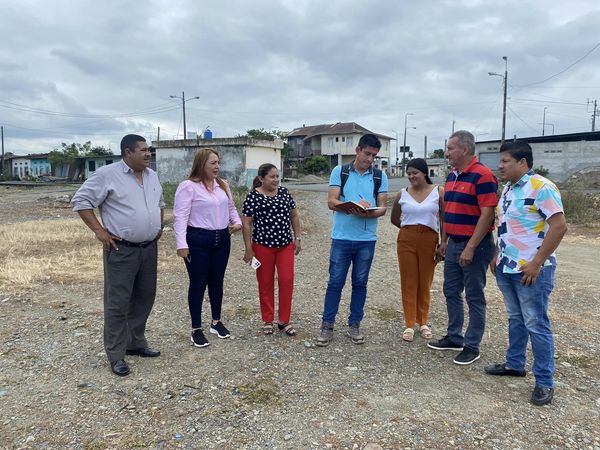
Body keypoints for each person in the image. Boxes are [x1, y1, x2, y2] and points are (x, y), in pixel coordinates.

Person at [71, 134, 164, 377]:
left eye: (149, 150)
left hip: (148, 248)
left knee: (145, 297)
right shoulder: (107, 174)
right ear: (127, 153)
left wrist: (158, 226)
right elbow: (81, 201)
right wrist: (99, 231)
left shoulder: (152, 176)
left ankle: (135, 343)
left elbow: (160, 203)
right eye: (142, 150)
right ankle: (116, 354)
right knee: (118, 303)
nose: (148, 154)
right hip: (121, 250)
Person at [485, 141, 567, 406]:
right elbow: (506, 224)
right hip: (507, 266)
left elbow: (559, 226)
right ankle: (515, 364)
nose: (500, 166)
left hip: (531, 271)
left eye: (505, 161)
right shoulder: (508, 188)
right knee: (516, 318)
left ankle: (544, 381)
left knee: (536, 323)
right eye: (500, 161)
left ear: (522, 162)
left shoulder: (542, 187)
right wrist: (497, 253)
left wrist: (537, 262)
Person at [427, 130, 497, 365]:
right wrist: (444, 240)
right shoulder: (452, 176)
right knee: (451, 291)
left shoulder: (483, 176)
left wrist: (471, 247)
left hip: (474, 246)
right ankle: (454, 337)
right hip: (454, 243)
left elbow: (487, 214)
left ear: (465, 150)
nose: (446, 153)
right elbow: (448, 211)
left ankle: (472, 345)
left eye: (450, 148)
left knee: (474, 296)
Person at [316, 133, 388, 347]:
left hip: (367, 239)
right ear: (357, 150)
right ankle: (327, 325)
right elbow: (331, 202)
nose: (370, 159)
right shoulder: (340, 171)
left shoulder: (379, 176)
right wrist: (352, 206)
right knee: (335, 283)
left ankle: (355, 324)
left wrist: (370, 211)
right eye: (367, 154)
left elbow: (383, 207)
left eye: (374, 155)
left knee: (360, 283)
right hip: (342, 237)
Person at [173, 149, 242, 348]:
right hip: (198, 240)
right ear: (201, 164)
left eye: (218, 162)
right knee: (198, 283)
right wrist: (181, 244)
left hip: (222, 239)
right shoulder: (188, 187)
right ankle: (196, 329)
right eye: (213, 163)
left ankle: (216, 322)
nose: (217, 166)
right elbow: (180, 217)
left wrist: (237, 222)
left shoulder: (223, 185)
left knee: (217, 282)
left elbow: (231, 208)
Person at [242, 163, 302, 336]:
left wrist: (297, 238)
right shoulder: (253, 197)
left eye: (277, 176)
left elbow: (294, 215)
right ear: (261, 178)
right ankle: (267, 319)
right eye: (272, 177)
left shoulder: (284, 192)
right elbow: (246, 223)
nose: (276, 180)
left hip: (285, 246)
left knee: (286, 280)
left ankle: (284, 320)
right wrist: (248, 248)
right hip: (262, 247)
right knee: (265, 283)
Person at [390, 158, 444, 342]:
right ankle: (409, 323)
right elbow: (394, 218)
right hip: (406, 239)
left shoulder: (438, 191)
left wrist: (443, 242)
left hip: (429, 238)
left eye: (415, 173)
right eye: (409, 173)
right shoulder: (402, 193)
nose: (412, 176)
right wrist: (409, 229)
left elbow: (444, 219)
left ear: (424, 173)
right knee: (409, 281)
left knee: (425, 280)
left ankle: (423, 322)